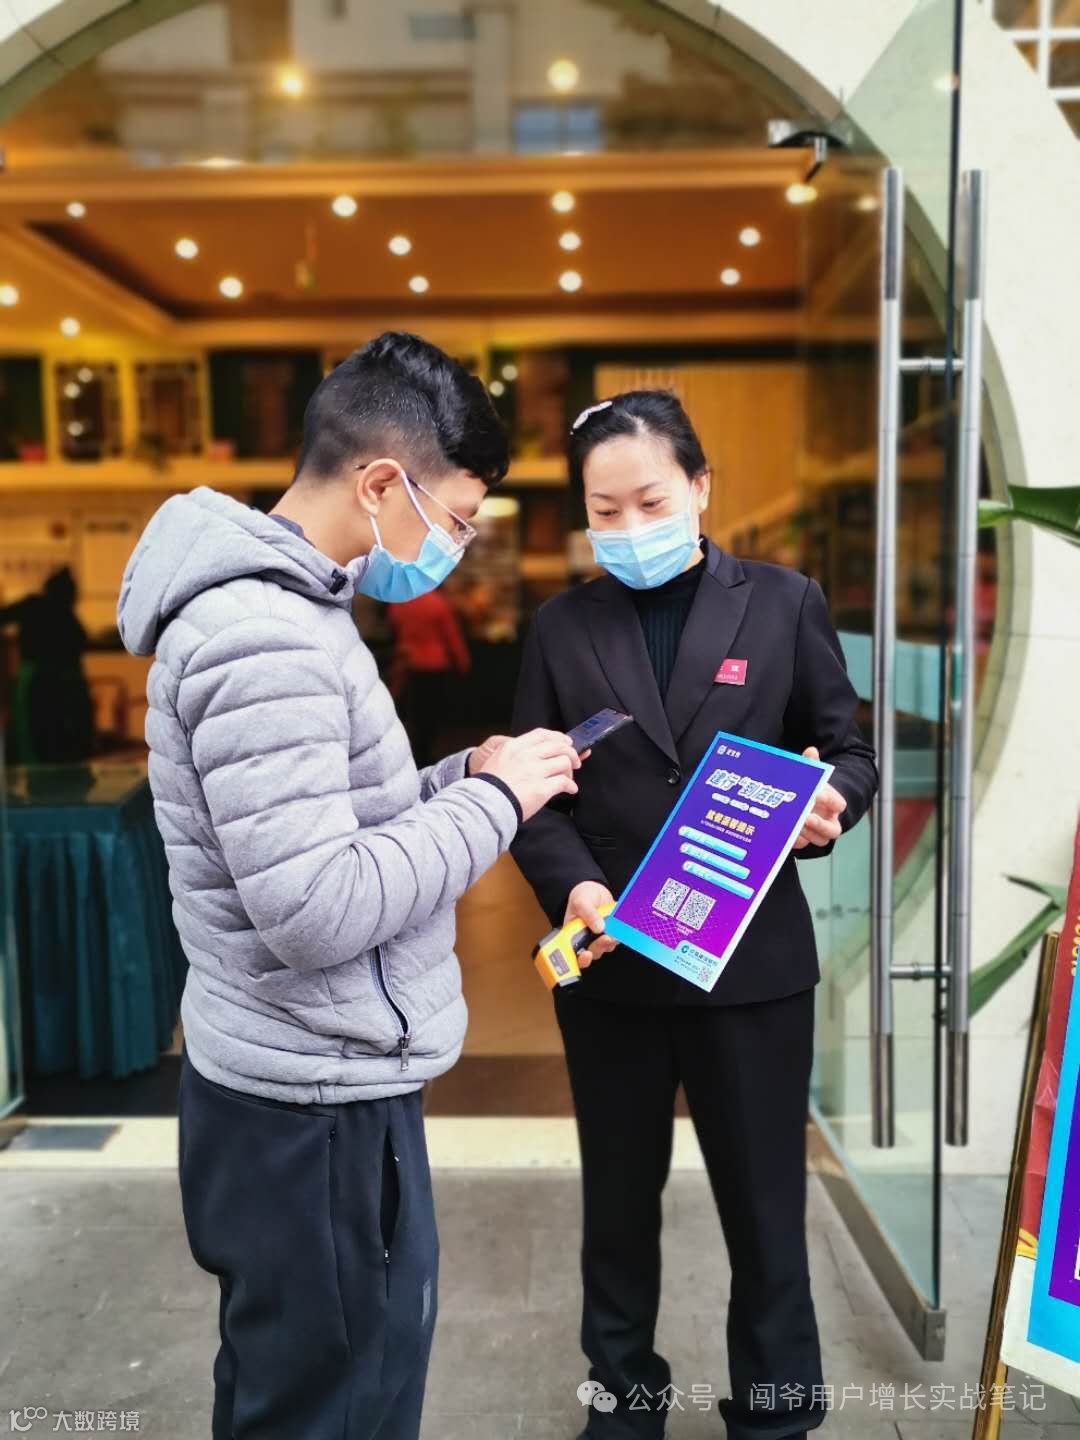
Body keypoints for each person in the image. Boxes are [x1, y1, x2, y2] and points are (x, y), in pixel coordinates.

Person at [117, 332, 582, 1440]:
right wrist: (497, 802)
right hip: (309, 1107)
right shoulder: (264, 637)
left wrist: (456, 778)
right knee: (333, 1401)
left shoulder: (298, 609)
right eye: (454, 518)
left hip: (306, 1079)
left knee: (312, 1383)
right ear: (379, 484)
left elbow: (326, 826)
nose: (454, 547)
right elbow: (318, 906)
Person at [509, 391, 877, 1440]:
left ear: (702, 487)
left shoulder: (784, 602)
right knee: (616, 1211)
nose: (628, 527)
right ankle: (623, 1404)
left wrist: (831, 802)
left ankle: (775, 1411)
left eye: (651, 502)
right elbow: (534, 790)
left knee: (766, 1210)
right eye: (604, 511)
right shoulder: (562, 626)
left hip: (752, 969)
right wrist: (575, 885)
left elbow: (849, 748)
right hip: (614, 961)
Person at [0, 565, 93, 765]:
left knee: (34, 742)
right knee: (64, 746)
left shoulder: (32, 606)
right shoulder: (70, 621)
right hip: (66, 684)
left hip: (35, 680)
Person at [388, 588, 471, 766]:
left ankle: (410, 754)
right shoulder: (438, 603)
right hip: (435, 664)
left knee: (410, 713)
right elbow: (451, 635)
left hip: (408, 663)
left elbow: (394, 627)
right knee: (430, 713)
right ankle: (425, 754)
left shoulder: (399, 601)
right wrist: (462, 661)